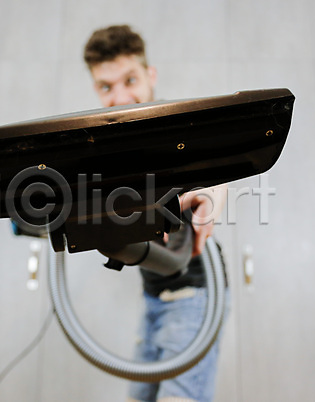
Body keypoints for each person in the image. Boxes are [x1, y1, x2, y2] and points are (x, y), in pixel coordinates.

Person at [84, 25, 229, 402]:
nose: (120, 97)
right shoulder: (107, 146)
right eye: (106, 87)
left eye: (130, 80)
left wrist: (208, 195)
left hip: (194, 292)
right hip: (152, 297)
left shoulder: (176, 126)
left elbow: (213, 178)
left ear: (151, 75)